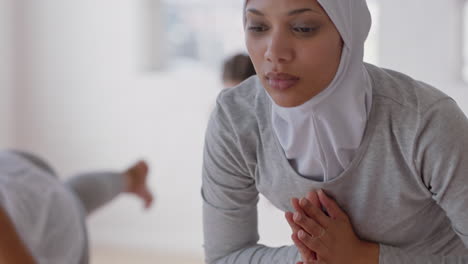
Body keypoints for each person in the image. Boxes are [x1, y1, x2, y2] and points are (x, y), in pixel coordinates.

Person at [201, 0, 468, 263]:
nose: (274, 52)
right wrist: (316, 255)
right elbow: (224, 255)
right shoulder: (236, 119)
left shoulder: (427, 122)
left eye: (303, 28)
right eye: (258, 27)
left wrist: (363, 258)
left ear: (347, 32)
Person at [0, 150, 153, 264]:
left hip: (55, 221)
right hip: (13, 166)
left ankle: (130, 179)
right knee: (68, 195)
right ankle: (131, 178)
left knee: (66, 200)